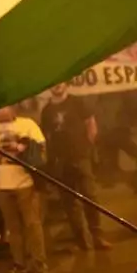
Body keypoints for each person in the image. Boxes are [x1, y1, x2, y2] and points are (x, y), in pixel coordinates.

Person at [41, 83, 110, 251]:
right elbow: (46, 136)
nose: (57, 86)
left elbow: (91, 123)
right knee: (69, 202)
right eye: (53, 84)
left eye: (60, 82)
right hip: (60, 161)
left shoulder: (78, 102)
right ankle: (81, 240)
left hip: (80, 157)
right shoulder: (47, 110)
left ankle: (97, 236)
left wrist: (88, 147)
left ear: (66, 84)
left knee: (90, 196)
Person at [0, 105, 50, 273]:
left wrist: (20, 149)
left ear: (12, 108)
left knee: (32, 224)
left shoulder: (27, 124)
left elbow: (41, 149)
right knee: (13, 228)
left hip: (26, 183)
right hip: (3, 186)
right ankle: (19, 263)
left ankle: (38, 261)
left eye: (3, 108)